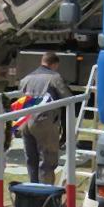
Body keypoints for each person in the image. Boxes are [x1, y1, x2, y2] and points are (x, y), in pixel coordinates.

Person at [18, 51, 72, 184]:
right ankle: (46, 195)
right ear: (54, 64)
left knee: (31, 160)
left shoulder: (26, 78)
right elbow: (68, 99)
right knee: (47, 162)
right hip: (44, 122)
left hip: (25, 121)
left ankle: (33, 192)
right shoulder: (54, 77)